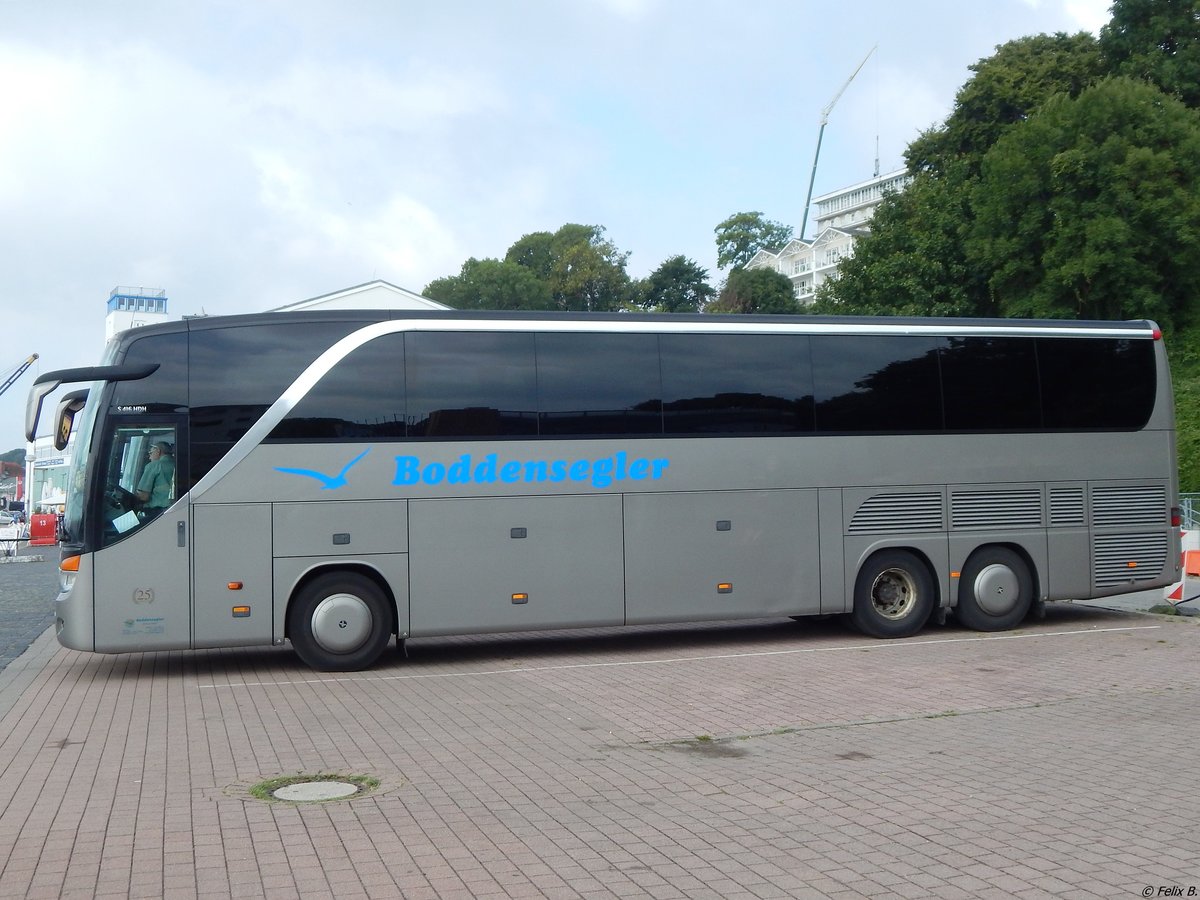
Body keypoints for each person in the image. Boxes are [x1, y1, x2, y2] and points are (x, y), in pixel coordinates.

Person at [136, 441, 176, 511]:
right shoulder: (177, 465)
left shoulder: (154, 465)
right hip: (177, 507)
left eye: (150, 453)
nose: (149, 457)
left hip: (156, 512)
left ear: (158, 451)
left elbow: (144, 496)